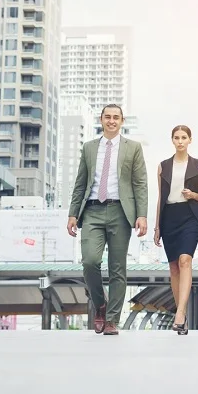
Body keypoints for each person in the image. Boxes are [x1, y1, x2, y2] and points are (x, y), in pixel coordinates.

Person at [67, 104, 148, 336]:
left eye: (116, 117)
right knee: (90, 261)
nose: (112, 121)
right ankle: (100, 303)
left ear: (122, 121)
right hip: (91, 210)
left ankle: (112, 319)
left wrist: (141, 214)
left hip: (120, 211)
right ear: (101, 120)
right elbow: (80, 183)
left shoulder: (133, 148)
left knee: (117, 268)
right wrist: (73, 213)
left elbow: (140, 183)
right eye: (108, 117)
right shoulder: (89, 147)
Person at [153, 125, 198, 335]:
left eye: (184, 137)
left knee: (185, 260)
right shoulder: (163, 166)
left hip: (190, 216)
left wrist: (193, 195)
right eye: (176, 137)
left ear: (190, 140)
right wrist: (157, 226)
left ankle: (181, 312)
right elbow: (161, 197)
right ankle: (181, 315)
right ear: (172, 140)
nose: (180, 141)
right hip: (169, 218)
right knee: (174, 267)